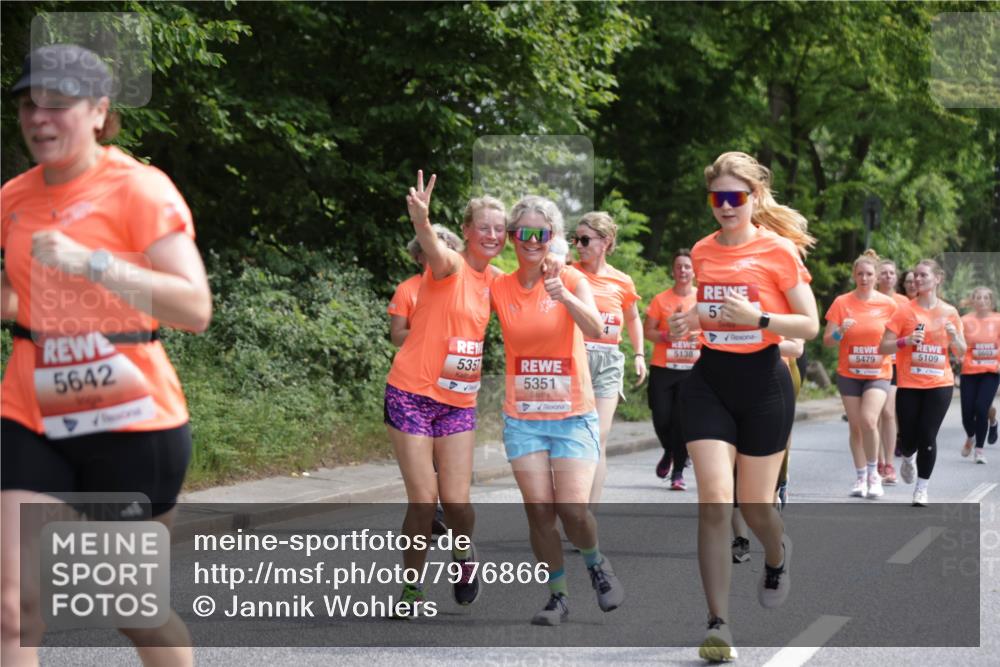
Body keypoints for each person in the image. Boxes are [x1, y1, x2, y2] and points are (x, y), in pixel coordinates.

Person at [2, 44, 212, 667]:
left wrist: (91, 262)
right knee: (13, 607)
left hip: (131, 420)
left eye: (57, 104)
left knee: (131, 609)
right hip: (31, 412)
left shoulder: (139, 189)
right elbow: (16, 293)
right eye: (28, 104)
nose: (39, 118)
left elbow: (194, 307)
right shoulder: (13, 197)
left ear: (99, 112)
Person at [668, 152, 819, 662]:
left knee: (755, 507)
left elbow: (809, 324)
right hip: (710, 380)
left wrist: (759, 319)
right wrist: (690, 318)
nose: (726, 205)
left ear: (754, 197)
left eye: (736, 196)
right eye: (718, 197)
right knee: (715, 499)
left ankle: (777, 553)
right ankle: (718, 624)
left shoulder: (778, 250)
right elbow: (710, 309)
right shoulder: (702, 250)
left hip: (764, 384)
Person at [490, 195, 624, 626]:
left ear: (552, 237)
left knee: (573, 510)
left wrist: (563, 295)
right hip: (523, 418)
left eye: (541, 233)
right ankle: (558, 595)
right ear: (513, 237)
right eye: (524, 233)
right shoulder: (500, 286)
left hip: (571, 415)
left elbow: (597, 327)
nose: (532, 241)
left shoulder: (570, 278)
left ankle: (596, 562)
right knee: (539, 511)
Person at [385, 171, 507, 613]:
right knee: (423, 500)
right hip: (410, 394)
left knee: (456, 503)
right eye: (483, 227)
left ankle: (463, 554)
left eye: (499, 229)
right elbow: (434, 249)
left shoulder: (500, 282)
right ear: (467, 231)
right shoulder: (450, 265)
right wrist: (421, 221)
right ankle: (412, 589)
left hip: (458, 403)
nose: (491, 235)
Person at [571, 211, 646, 503]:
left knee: (597, 438)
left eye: (585, 240)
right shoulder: (569, 273)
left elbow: (633, 318)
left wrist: (639, 354)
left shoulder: (622, 281)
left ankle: (588, 515)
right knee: (571, 437)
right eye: (576, 239)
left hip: (608, 362)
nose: (579, 245)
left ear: (605, 241)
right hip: (573, 360)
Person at [879, 259, 966, 506]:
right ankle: (908, 457)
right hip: (910, 384)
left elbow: (961, 352)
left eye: (923, 275)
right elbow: (883, 347)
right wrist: (905, 341)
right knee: (908, 438)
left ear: (938, 278)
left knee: (928, 435)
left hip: (940, 383)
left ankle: (922, 488)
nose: (917, 279)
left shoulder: (949, 312)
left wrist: (954, 337)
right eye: (915, 275)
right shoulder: (904, 311)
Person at [823, 250, 898, 499]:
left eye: (869, 274)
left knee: (868, 420)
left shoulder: (888, 304)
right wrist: (840, 332)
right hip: (849, 373)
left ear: (876, 277)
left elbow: (897, 337)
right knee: (855, 427)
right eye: (860, 274)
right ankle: (860, 476)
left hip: (879, 372)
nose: (864, 278)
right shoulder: (841, 303)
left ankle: (874, 475)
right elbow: (827, 341)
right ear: (854, 276)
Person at [645, 249, 699, 490]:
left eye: (687, 266)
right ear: (673, 270)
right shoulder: (661, 299)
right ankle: (670, 450)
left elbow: (715, 329)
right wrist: (665, 336)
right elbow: (648, 331)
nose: (683, 270)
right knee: (661, 417)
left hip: (692, 369)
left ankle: (678, 472)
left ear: (694, 271)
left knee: (681, 419)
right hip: (663, 367)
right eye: (679, 266)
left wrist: (699, 337)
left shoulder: (701, 300)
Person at [387, 226, 463, 347]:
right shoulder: (406, 289)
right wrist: (429, 331)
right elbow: (396, 338)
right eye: (430, 251)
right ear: (418, 256)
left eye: (443, 253)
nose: (437, 257)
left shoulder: (464, 288)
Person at [875, 258, 909, 483]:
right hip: (872, 362)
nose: (888, 276)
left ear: (896, 277)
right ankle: (876, 462)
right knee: (874, 415)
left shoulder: (903, 302)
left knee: (888, 412)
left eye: (891, 273)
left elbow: (912, 329)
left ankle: (889, 464)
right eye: (884, 272)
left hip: (895, 363)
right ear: (878, 276)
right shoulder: (869, 298)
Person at [959, 286, 1000, 464]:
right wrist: (959, 354)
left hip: (991, 371)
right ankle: (971, 436)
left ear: (991, 301)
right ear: (973, 301)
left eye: (985, 298)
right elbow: (957, 343)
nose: (982, 301)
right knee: (967, 414)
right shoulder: (964, 320)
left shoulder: (998, 319)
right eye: (978, 297)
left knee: (981, 408)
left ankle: (979, 451)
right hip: (969, 371)